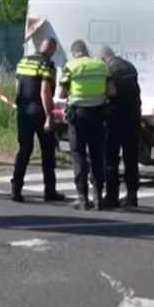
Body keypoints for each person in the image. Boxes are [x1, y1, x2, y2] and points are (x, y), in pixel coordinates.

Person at [9, 38, 65, 204]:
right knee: (47, 151)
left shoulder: (23, 62)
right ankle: (49, 190)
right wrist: (49, 115)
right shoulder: (47, 64)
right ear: (52, 49)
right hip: (39, 111)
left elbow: (18, 85)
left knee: (24, 150)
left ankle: (16, 189)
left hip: (23, 111)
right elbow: (45, 92)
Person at [58, 38, 112, 210]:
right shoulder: (102, 66)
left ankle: (83, 198)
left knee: (79, 155)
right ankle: (98, 198)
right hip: (98, 115)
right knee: (97, 155)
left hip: (78, 116)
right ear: (86, 50)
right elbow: (112, 91)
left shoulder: (72, 66)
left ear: (74, 52)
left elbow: (61, 93)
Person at [99, 45, 143, 210]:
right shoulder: (130, 67)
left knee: (111, 157)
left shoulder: (109, 70)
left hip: (115, 118)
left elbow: (109, 93)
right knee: (131, 158)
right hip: (133, 117)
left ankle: (112, 195)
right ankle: (132, 195)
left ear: (103, 58)